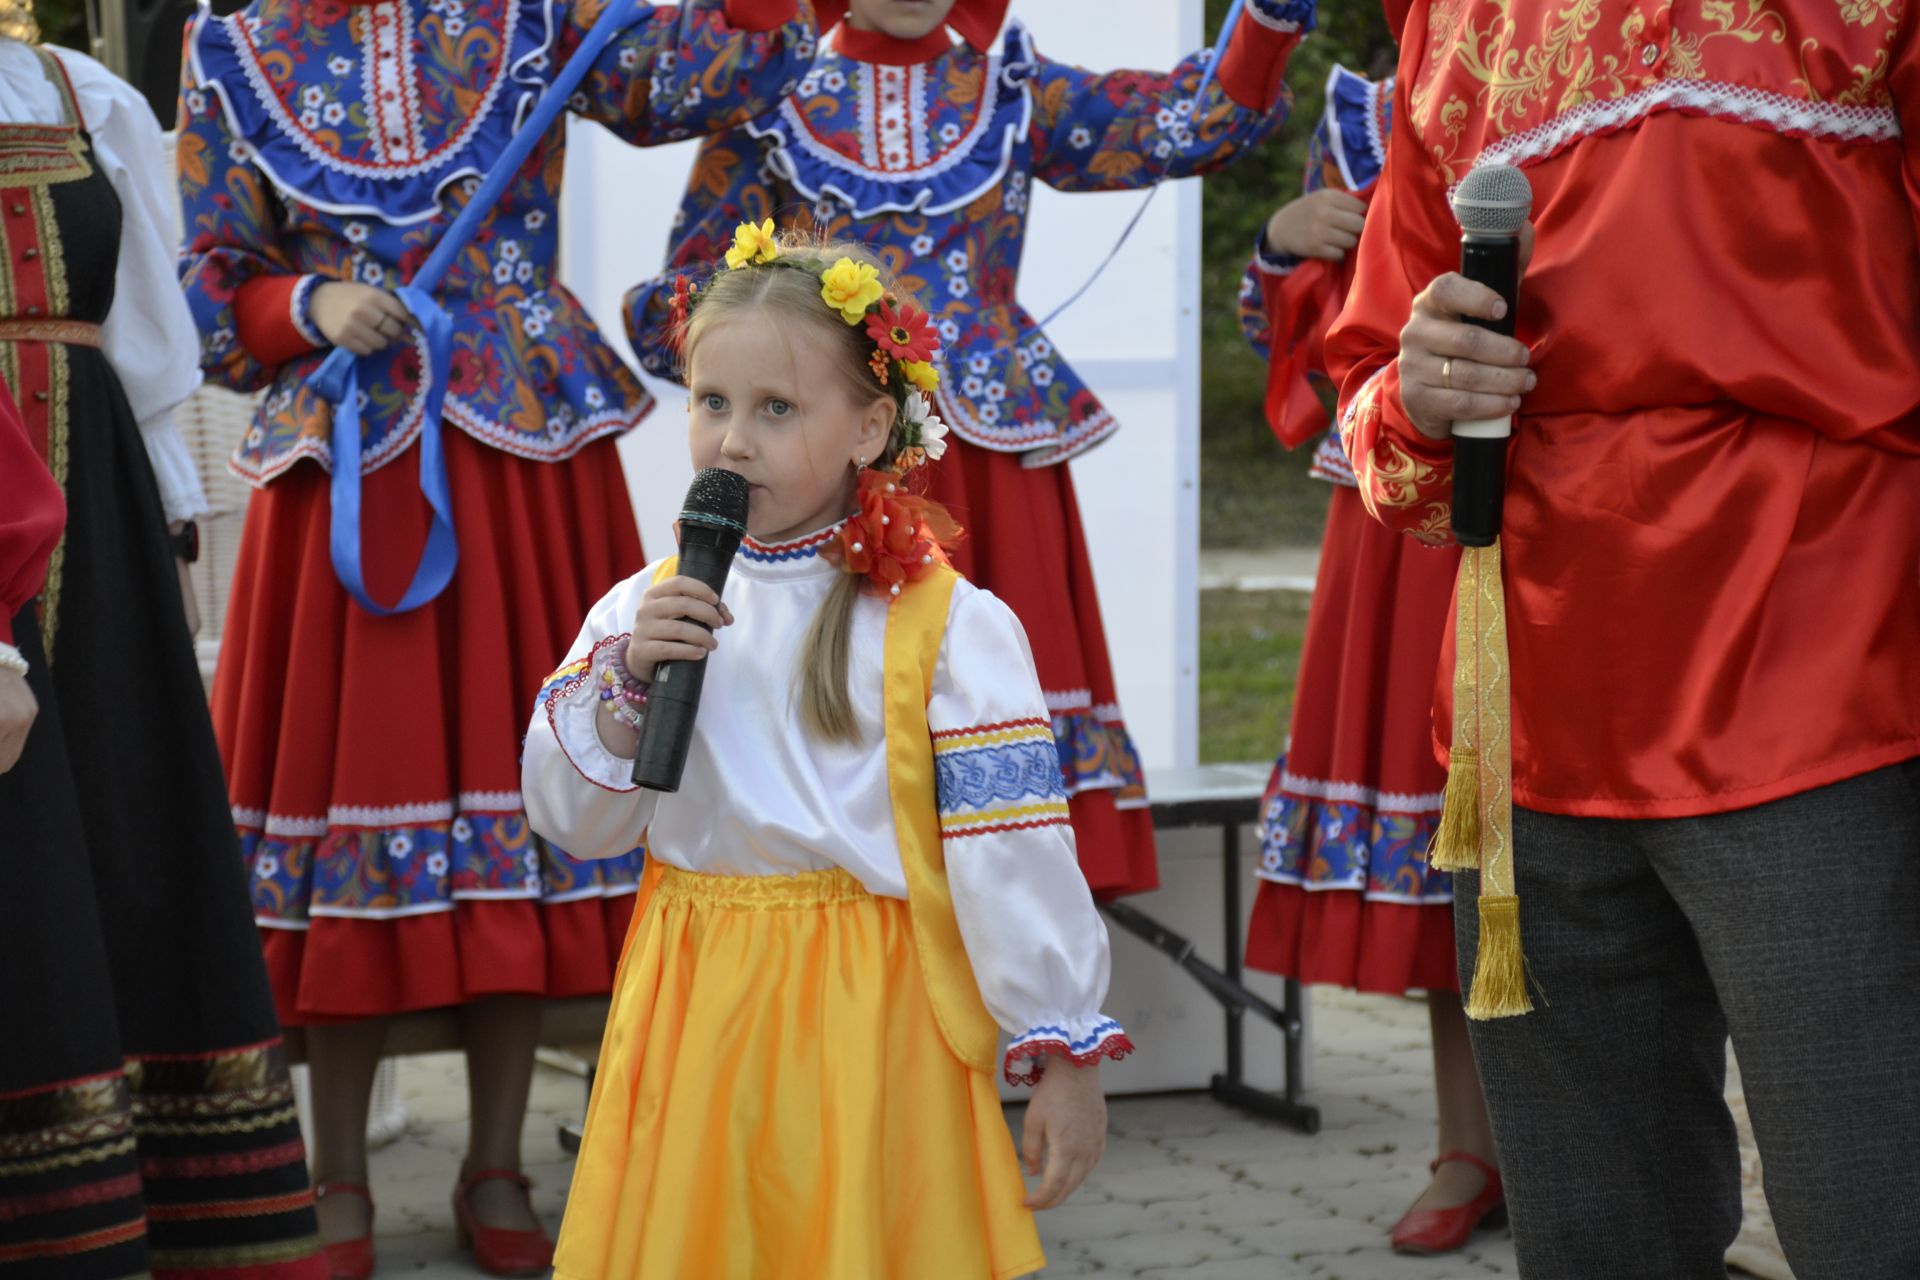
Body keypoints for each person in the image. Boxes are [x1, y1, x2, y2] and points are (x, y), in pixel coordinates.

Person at [174, 1, 819, 1274]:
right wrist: (311, 299)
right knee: (355, 803)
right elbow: (204, 285)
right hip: (350, 460)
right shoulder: (235, 44)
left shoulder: (537, 11)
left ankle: (501, 1161)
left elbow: (702, 80)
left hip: (519, 453)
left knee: (535, 813)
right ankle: (336, 1171)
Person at [1329, 2, 1920, 1276]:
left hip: (1821, 678)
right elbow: (1375, 395)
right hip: (1527, 705)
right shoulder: (1451, 22)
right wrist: (1418, 393)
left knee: (1874, 1209)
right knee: (1597, 1233)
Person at [524, 229, 1128, 1279]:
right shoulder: (648, 606)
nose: (732, 442)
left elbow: (1012, 850)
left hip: (867, 1011)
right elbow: (579, 822)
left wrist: (1060, 1045)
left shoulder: (947, 622)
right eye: (711, 402)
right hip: (690, 998)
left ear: (871, 425)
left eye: (776, 408)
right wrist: (625, 685)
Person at [622, 0, 1317, 900]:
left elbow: (1189, 120)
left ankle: (1024, 999)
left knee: (1001, 728)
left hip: (991, 461)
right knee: (852, 729)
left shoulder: (1012, 85)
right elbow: (691, 303)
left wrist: (1266, 21)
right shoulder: (774, 89)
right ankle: (850, 947)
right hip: (834, 470)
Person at [0, 30, 326, 1278]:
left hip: (98, 514)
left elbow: (145, 341)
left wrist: (172, 516)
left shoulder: (89, 98)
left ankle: (158, 1210)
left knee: (125, 827)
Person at [1238, 63, 1500, 1257]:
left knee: (1565, 828)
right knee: (1451, 832)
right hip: (1402, 508)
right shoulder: (1360, 103)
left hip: (1577, 477)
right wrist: (1276, 244)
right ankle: (1470, 1143)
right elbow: (1280, 338)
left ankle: (1622, 1142)